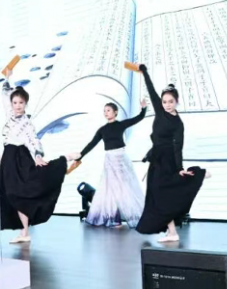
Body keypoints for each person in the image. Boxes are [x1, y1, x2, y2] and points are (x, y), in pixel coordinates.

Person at [135, 64, 207, 242]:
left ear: (177, 102)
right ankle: (172, 232)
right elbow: (151, 90)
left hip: (167, 161)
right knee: (156, 195)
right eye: (164, 102)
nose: (167, 105)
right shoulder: (160, 111)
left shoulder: (178, 123)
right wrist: (144, 71)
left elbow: (178, 147)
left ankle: (199, 174)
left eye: (170, 102)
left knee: (162, 195)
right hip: (156, 159)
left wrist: (179, 168)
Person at [0, 81, 76, 243]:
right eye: (15, 102)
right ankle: (24, 232)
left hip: (20, 158)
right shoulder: (9, 115)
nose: (17, 106)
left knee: (19, 193)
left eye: (21, 103)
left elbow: (33, 140)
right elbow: (5, 95)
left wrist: (38, 155)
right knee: (11, 195)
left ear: (25, 104)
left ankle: (64, 159)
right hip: (8, 159)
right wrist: (7, 78)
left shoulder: (27, 123)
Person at [71, 100, 147, 228]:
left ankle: (137, 216)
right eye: (104, 111)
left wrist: (144, 109)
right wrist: (80, 155)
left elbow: (138, 118)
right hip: (110, 160)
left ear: (115, 112)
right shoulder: (102, 130)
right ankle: (114, 219)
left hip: (121, 159)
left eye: (108, 110)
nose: (106, 113)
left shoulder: (121, 125)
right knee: (110, 190)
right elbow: (91, 144)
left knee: (125, 188)